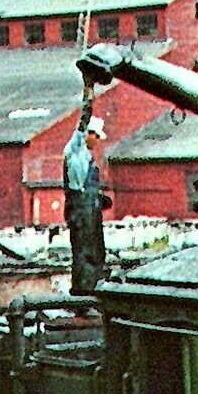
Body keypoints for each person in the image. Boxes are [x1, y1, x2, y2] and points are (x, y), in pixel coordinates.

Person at [63, 85, 111, 293]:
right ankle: (83, 292)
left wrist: (100, 199)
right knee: (84, 252)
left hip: (90, 209)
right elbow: (82, 122)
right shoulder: (75, 150)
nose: (97, 141)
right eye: (96, 136)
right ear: (89, 134)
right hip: (80, 210)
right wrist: (88, 97)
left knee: (96, 250)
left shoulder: (88, 157)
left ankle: (92, 287)